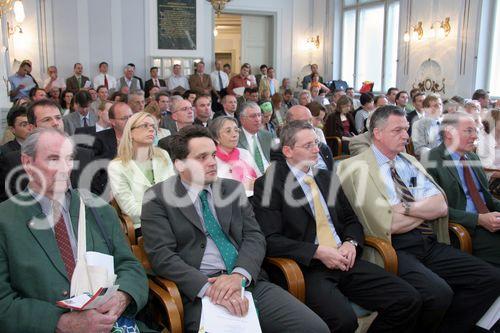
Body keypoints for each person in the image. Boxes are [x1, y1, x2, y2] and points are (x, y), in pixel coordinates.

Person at [140, 125, 330, 333]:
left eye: (213, 154)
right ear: (179, 164)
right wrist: (211, 290)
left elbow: (254, 236)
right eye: (201, 157)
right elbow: (162, 255)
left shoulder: (232, 188)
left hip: (246, 282)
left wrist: (240, 275)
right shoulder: (158, 198)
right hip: (200, 292)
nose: (212, 162)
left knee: (316, 329)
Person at [337, 105, 500, 332]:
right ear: (378, 133)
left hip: (428, 241)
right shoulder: (354, 167)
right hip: (393, 248)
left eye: (406, 129)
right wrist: (420, 209)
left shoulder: (409, 162)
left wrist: (403, 207)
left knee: (490, 278)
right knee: (438, 293)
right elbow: (388, 223)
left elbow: (441, 206)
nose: (406, 135)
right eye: (398, 130)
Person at [253, 120, 421, 332]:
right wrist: (317, 252)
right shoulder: (269, 184)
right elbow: (270, 239)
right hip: (307, 268)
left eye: (316, 143)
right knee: (343, 321)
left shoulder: (326, 177)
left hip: (345, 258)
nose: (317, 149)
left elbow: (351, 220)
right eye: (308, 146)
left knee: (407, 299)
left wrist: (351, 243)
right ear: (287, 150)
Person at [0, 127, 150, 333]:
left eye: (68, 159)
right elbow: (4, 302)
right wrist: (62, 323)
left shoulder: (99, 209)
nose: (65, 168)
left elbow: (130, 266)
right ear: (27, 163)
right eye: (53, 159)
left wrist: (122, 297)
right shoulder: (6, 220)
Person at [425, 112, 500, 267]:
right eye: (469, 131)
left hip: (488, 219)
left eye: (475, 131)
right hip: (464, 228)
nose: (474, 136)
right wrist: (478, 220)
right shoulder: (431, 161)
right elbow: (436, 209)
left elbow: (484, 197)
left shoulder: (472, 157)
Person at [108, 112, 175, 230]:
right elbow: (130, 209)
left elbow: (174, 192)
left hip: (172, 219)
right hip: (144, 225)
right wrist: (162, 211)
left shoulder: (163, 155)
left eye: (153, 126)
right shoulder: (117, 166)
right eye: (145, 126)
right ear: (130, 133)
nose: (151, 130)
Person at [209, 116, 259, 192]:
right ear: (216, 138)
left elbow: (258, 177)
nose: (234, 134)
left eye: (236, 130)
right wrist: (243, 187)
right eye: (228, 131)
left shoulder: (244, 153)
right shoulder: (212, 160)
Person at [238, 102, 273, 175]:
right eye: (253, 116)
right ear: (242, 119)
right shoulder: (235, 138)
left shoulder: (267, 135)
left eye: (259, 115)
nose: (257, 119)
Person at [411, 94, 443, 158]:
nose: (439, 107)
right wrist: (438, 153)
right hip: (431, 159)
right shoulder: (418, 124)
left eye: (440, 104)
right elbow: (419, 149)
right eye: (435, 105)